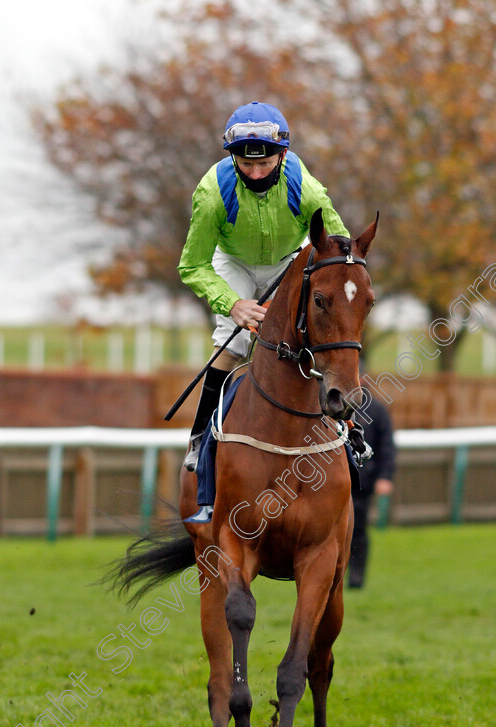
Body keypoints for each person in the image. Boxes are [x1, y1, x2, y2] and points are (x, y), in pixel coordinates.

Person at [178, 101, 350, 471]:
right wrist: (231, 303)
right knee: (236, 339)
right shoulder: (211, 194)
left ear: (283, 154)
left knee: (312, 330)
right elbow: (192, 265)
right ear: (233, 157)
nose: (255, 173)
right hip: (233, 262)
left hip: (289, 258)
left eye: (265, 163)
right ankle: (200, 437)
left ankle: (345, 427)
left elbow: (340, 250)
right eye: (246, 163)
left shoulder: (309, 192)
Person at [348, 366, 396, 588]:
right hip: (333, 482)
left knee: (357, 530)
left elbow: (386, 447)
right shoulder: (332, 405)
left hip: (362, 483)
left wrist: (384, 477)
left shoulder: (376, 410)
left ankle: (356, 577)